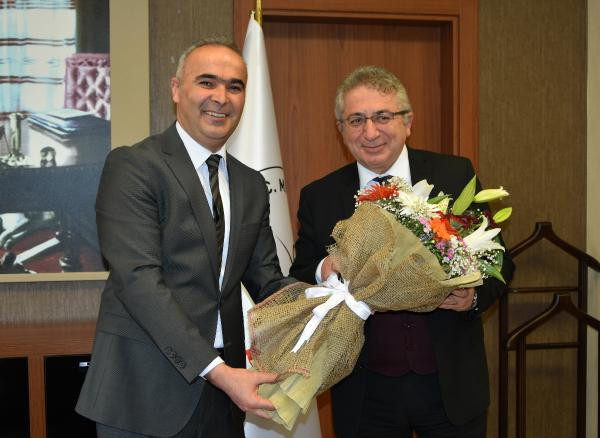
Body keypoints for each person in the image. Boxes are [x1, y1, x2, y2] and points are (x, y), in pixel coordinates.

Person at [76, 37, 293, 438]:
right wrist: (218, 371)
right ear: (176, 89)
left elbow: (267, 280)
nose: (221, 98)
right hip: (143, 393)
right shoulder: (135, 166)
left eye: (234, 86)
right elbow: (139, 280)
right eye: (207, 82)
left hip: (223, 396)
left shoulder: (250, 184)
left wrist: (335, 289)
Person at [290, 66, 515, 438]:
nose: (370, 132)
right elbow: (300, 274)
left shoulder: (454, 175)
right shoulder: (320, 196)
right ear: (341, 129)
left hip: (451, 388)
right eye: (356, 120)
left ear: (408, 122)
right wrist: (324, 269)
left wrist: (472, 297)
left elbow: (501, 261)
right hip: (364, 393)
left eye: (383, 117)